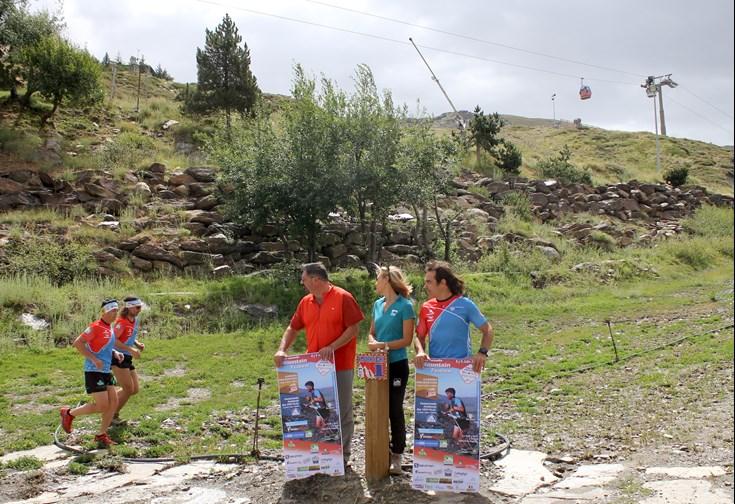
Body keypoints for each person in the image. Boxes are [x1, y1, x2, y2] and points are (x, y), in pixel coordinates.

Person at [274, 262, 364, 468]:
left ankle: (343, 453)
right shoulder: (305, 302)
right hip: (312, 367)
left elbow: (353, 329)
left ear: (316, 279)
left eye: (304, 279)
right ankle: (318, 450)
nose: (301, 282)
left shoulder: (343, 297)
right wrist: (282, 349)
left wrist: (332, 347)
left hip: (340, 365)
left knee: (341, 408)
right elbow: (292, 327)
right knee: (314, 409)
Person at [367, 265, 415, 476]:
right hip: (376, 364)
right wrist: (373, 344)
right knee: (377, 406)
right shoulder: (377, 305)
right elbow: (371, 334)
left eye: (377, 278)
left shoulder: (406, 306)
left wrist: (383, 346)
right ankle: (379, 450)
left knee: (394, 407)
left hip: (396, 364)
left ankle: (397, 454)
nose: (375, 283)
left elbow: (406, 339)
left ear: (386, 279)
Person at [59, 299, 124, 447]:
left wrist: (115, 352)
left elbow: (103, 346)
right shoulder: (96, 327)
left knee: (113, 403)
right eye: (112, 311)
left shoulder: (109, 328)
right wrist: (94, 359)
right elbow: (78, 343)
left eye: (116, 310)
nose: (115, 314)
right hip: (94, 371)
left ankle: (101, 435)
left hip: (106, 370)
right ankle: (68, 413)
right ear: (104, 312)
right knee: (102, 406)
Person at [415, 261, 494, 373]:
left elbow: (488, 330)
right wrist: (420, 351)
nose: (425, 286)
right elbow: (419, 337)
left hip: (461, 369)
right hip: (435, 369)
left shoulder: (465, 304)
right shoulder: (426, 307)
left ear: (443, 283)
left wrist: (482, 352)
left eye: (429, 282)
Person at [111, 296, 145, 425]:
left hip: (127, 357)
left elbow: (130, 335)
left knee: (134, 389)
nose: (139, 310)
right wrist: (131, 350)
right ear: (129, 307)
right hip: (118, 357)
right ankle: (112, 415)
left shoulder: (134, 320)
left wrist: (137, 344)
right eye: (137, 307)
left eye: (140, 307)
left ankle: (109, 399)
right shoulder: (121, 322)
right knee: (128, 389)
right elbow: (114, 340)